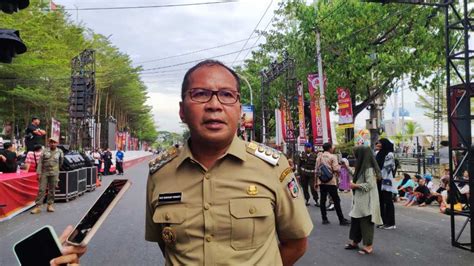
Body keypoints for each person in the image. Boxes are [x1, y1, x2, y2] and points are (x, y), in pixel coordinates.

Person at [52, 60, 313, 266]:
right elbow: (167, 245)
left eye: (226, 95)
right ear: (181, 110)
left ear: (239, 109)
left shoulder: (272, 166)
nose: (214, 105)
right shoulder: (161, 172)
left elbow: (296, 243)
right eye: (200, 94)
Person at [345, 145, 382, 255]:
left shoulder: (368, 168)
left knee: (366, 222)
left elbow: (370, 184)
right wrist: (347, 168)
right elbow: (357, 175)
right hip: (360, 199)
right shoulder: (362, 165)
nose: (356, 157)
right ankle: (355, 242)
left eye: (357, 154)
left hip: (367, 200)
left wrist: (355, 186)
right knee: (356, 221)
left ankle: (368, 246)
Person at [315, 142, 350, 225]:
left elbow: (316, 171)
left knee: (322, 200)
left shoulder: (319, 157)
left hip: (321, 181)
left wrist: (315, 182)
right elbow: (336, 169)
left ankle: (324, 218)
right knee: (336, 200)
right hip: (331, 182)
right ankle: (341, 220)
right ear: (330, 148)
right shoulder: (332, 157)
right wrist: (341, 167)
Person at [31, 138, 64, 214]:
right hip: (44, 173)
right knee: (41, 189)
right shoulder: (44, 151)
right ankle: (38, 206)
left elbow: (61, 162)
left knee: (52, 189)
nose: (52, 144)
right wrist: (38, 173)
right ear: (49, 143)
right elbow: (40, 163)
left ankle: (50, 205)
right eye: (51, 142)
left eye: (54, 142)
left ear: (57, 143)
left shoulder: (60, 152)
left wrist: (57, 170)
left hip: (54, 173)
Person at [375, 138, 396, 229]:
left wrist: (378, 177)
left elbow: (387, 168)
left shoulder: (389, 154)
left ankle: (391, 223)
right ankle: (383, 221)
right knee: (380, 201)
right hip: (379, 180)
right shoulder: (378, 153)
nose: (377, 144)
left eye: (379, 143)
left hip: (386, 181)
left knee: (388, 201)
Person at [298, 142, 320, 206]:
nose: (307, 148)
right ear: (304, 148)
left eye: (309, 147)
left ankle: (316, 200)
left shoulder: (315, 155)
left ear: (311, 148)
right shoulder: (301, 155)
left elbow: (317, 165)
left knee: (313, 188)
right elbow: (299, 165)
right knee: (305, 188)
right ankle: (307, 200)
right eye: (306, 147)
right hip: (304, 174)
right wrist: (299, 174)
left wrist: (317, 174)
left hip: (312, 174)